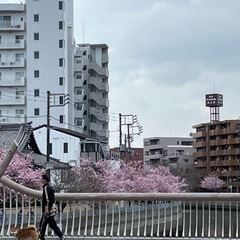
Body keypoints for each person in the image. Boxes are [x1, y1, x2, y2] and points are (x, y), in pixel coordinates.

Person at [39, 174, 66, 240]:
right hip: (50, 210)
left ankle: (41, 238)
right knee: (52, 224)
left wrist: (46, 209)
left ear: (45, 180)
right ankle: (61, 236)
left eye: (42, 179)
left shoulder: (46, 188)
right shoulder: (50, 187)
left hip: (47, 210)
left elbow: (47, 200)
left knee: (42, 225)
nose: (41, 180)